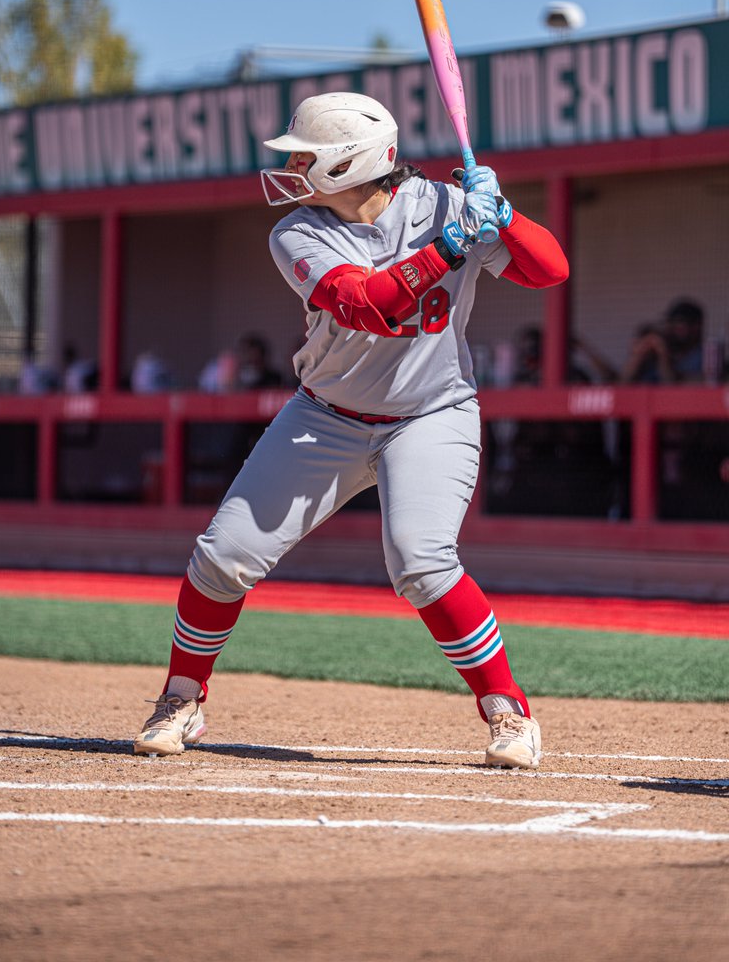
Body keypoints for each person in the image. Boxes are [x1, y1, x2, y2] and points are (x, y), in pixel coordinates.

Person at [134, 92, 568, 768]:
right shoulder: (297, 233)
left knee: (421, 562)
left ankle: (508, 713)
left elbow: (551, 271)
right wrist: (451, 249)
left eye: (308, 156)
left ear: (351, 162)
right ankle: (181, 697)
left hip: (433, 413)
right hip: (325, 415)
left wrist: (504, 218)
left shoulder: (445, 206)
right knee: (222, 558)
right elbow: (365, 305)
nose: (295, 166)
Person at [620, 299, 704, 384]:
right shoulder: (655, 354)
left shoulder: (702, 357)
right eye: (670, 322)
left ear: (696, 327)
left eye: (679, 323)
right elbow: (623, 384)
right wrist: (638, 354)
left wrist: (663, 354)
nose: (671, 328)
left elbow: (672, 385)